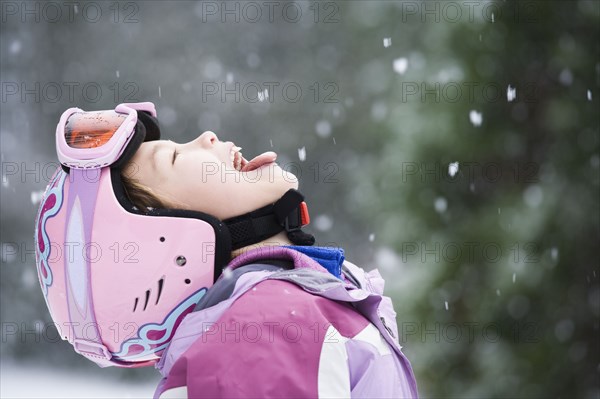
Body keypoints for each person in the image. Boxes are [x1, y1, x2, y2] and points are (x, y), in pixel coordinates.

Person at [35, 102, 418, 398]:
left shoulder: (283, 316)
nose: (207, 136)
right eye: (175, 157)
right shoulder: (257, 337)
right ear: (166, 246)